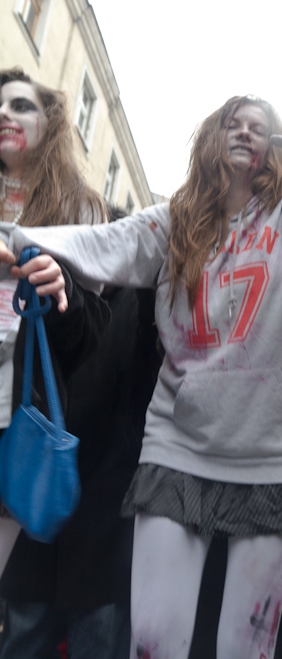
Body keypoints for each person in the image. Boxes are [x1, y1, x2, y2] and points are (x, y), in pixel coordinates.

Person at [0, 95, 282, 659]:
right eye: (234, 122)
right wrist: (17, 240)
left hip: (273, 458)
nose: (247, 133)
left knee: (245, 648)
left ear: (276, 149)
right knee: (154, 643)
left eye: (260, 127)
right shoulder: (172, 223)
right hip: (176, 453)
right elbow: (106, 244)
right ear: (211, 137)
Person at [0, 207, 161, 659]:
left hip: (108, 515)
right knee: (25, 637)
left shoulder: (144, 299)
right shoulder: (55, 290)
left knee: (97, 640)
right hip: (43, 503)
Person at [0, 68, 109, 582]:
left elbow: (93, 335)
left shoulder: (80, 207)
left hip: (16, 412)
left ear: (52, 123)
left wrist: (57, 285)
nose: (5, 114)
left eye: (21, 106)